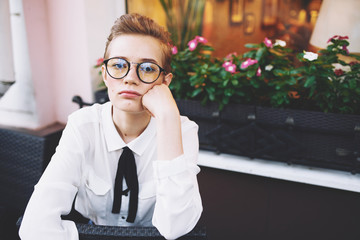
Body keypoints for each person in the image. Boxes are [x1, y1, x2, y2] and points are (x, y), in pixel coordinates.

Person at [19, 13, 202, 240]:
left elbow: (176, 226)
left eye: (147, 68)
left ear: (165, 82)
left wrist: (167, 118)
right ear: (105, 74)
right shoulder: (83, 125)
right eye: (118, 65)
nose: (130, 78)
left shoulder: (182, 131)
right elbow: (34, 227)